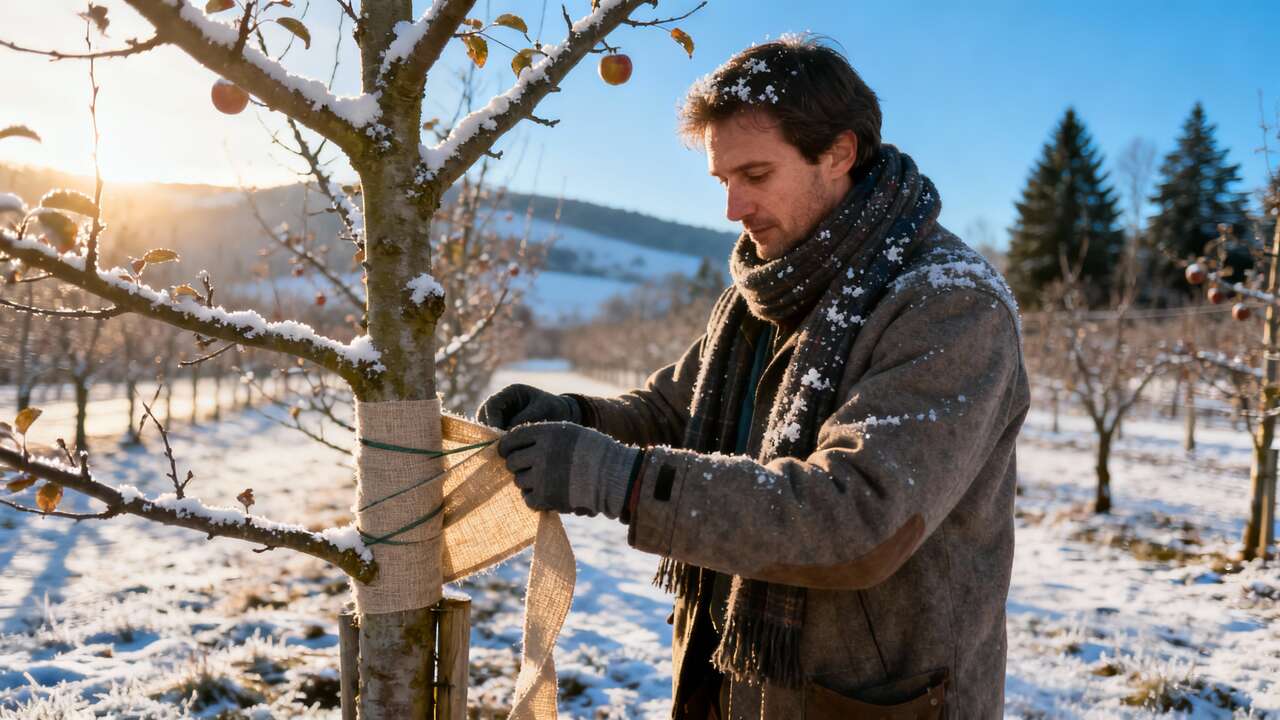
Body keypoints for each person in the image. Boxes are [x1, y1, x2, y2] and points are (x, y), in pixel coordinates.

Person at [479, 35, 1028, 720]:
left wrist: (620, 479)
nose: (732, 209)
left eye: (756, 176)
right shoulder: (763, 292)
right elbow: (671, 409)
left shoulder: (948, 303)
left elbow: (856, 516)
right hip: (738, 678)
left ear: (839, 153)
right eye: (722, 180)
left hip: (869, 700)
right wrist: (574, 417)